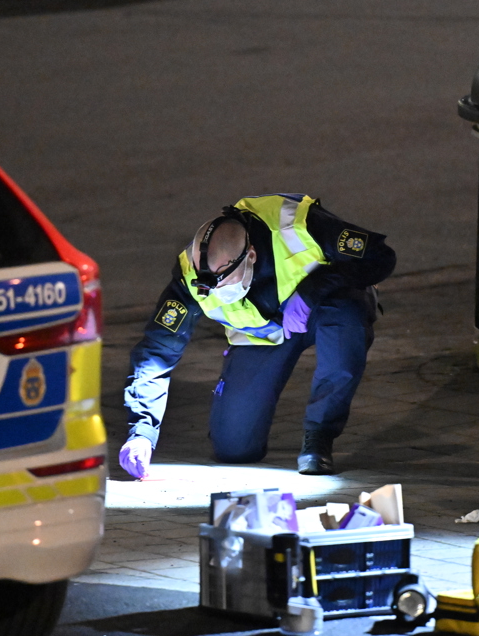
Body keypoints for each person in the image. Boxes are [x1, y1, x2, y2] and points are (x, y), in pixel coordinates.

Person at [119, 193, 395, 478]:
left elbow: (380, 256)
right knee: (233, 449)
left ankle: (319, 435)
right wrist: (141, 432)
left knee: (345, 325)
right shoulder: (189, 276)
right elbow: (155, 353)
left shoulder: (296, 226)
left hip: (324, 310)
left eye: (223, 281)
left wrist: (311, 290)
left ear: (250, 255)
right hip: (263, 336)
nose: (214, 292)